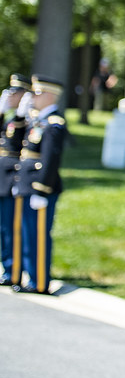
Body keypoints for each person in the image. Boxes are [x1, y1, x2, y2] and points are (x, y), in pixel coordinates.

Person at [10, 75, 68, 294]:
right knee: (26, 235)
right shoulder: (36, 120)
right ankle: (30, 278)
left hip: (39, 189)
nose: (32, 97)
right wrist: (19, 116)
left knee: (38, 237)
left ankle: (40, 281)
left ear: (50, 95)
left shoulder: (54, 124)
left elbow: (50, 160)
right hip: (26, 185)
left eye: (37, 93)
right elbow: (16, 145)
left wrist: (41, 190)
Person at [0, 74, 32, 286]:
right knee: (3, 228)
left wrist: (19, 117)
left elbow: (16, 145)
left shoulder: (26, 120)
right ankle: (7, 267)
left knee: (11, 228)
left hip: (12, 179)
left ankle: (14, 270)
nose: (12, 96)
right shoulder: (9, 119)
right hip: (2, 179)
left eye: (16, 93)